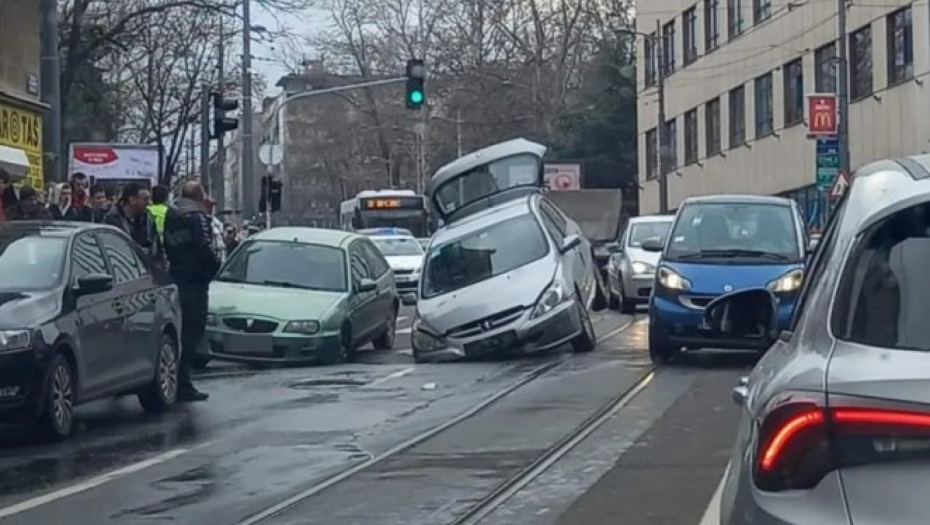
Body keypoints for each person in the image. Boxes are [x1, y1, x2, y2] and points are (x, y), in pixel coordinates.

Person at [164, 181, 221, 402]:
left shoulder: (173, 214)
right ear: (200, 196)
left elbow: (170, 245)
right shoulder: (197, 216)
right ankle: (184, 383)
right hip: (196, 281)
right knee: (192, 332)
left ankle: (177, 380)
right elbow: (205, 248)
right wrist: (214, 267)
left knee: (181, 331)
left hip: (178, 276)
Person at [103, 183, 165, 267]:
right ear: (132, 200)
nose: (150, 203)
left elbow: (157, 248)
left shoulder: (148, 218)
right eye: (145, 199)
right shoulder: (112, 220)